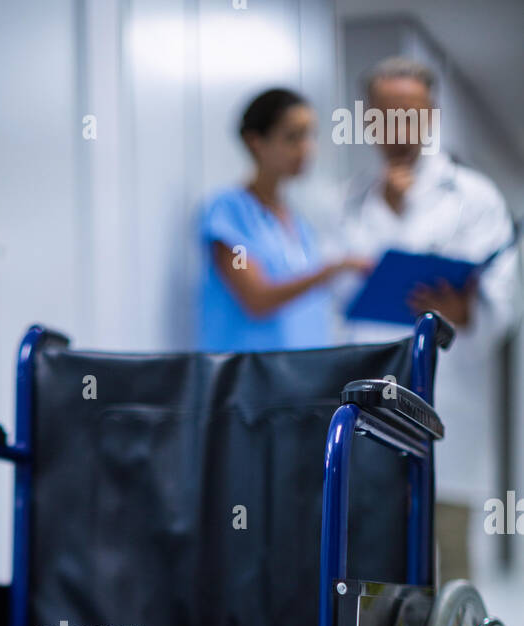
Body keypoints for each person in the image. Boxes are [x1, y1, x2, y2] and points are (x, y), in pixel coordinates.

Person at [341, 56, 521, 581]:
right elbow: (336, 303)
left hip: (447, 406)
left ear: (431, 115)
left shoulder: (474, 197)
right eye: (385, 113)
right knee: (375, 566)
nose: (398, 127)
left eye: (411, 113)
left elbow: (499, 306)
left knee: (447, 564)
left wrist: (461, 307)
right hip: (370, 404)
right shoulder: (350, 201)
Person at [198, 88, 371, 352]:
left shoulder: (297, 223)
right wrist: (331, 270)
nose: (306, 148)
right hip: (250, 381)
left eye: (310, 136)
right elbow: (256, 297)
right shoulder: (229, 214)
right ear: (255, 142)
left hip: (304, 377)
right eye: (293, 137)